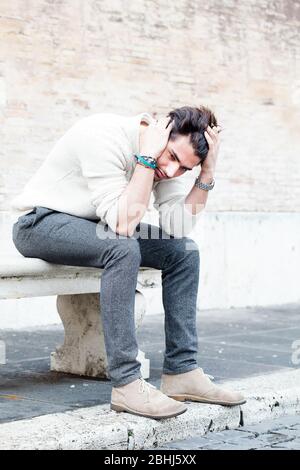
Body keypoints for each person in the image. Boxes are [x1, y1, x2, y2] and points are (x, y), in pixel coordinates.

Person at [11, 105, 246, 420]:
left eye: (184, 168)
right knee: (122, 247)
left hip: (97, 228)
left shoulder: (169, 163)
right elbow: (122, 225)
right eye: (174, 158)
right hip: (41, 224)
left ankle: (182, 370)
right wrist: (147, 160)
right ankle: (126, 382)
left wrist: (205, 174)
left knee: (184, 251)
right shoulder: (103, 135)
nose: (174, 171)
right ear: (159, 130)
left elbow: (178, 226)